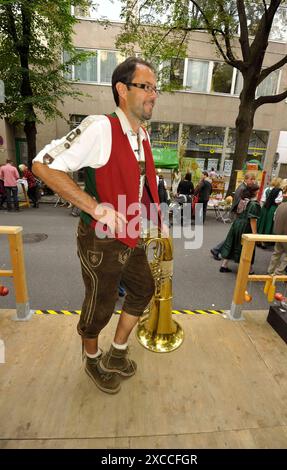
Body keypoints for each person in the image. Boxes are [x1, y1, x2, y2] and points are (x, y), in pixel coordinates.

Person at [33, 57, 163, 395]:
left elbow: (137, 183)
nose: (154, 94)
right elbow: (43, 166)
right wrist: (95, 207)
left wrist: (151, 221)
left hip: (129, 234)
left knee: (143, 289)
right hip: (100, 238)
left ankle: (117, 353)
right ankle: (92, 359)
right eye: (146, 86)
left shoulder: (141, 135)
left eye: (155, 88)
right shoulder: (100, 127)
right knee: (100, 306)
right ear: (122, 90)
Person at [210, 172, 257, 260]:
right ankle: (217, 250)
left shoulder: (243, 187)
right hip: (238, 214)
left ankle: (220, 251)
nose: (253, 181)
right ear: (246, 179)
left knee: (233, 235)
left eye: (253, 179)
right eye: (251, 179)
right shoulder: (243, 188)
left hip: (237, 214)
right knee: (233, 236)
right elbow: (239, 204)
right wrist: (241, 214)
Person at [219, 184, 260, 273]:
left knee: (232, 243)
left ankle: (224, 265)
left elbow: (238, 213)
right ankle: (249, 269)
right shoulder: (254, 204)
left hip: (236, 224)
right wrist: (255, 234)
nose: (258, 191)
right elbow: (252, 220)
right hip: (245, 226)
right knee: (248, 247)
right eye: (257, 190)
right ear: (254, 192)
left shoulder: (242, 200)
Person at [267, 192, 287, 276]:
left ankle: (270, 271)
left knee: (276, 253)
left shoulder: (280, 206)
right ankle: (279, 272)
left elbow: (274, 218)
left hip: (278, 233)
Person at [257, 177, 282, 248]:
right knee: (269, 223)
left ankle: (259, 239)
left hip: (265, 208)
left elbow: (263, 200)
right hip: (272, 209)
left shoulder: (266, 189)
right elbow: (278, 201)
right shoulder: (279, 191)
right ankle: (266, 241)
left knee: (262, 223)